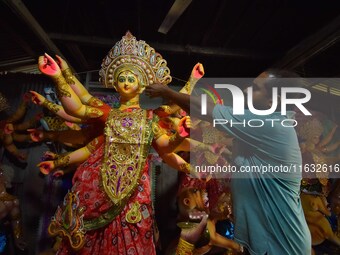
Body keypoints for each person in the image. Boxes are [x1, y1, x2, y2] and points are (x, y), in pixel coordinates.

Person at [35, 32, 200, 255]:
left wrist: (180, 133)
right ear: (114, 82)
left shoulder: (150, 118)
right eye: (121, 78)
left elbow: (167, 146)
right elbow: (79, 109)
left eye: (131, 78)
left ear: (141, 84)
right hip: (97, 187)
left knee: (133, 232)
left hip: (134, 193)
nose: (125, 82)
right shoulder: (108, 115)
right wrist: (58, 76)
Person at [145, 69, 312, 254]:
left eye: (255, 88)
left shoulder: (271, 126)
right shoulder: (262, 125)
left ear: (273, 101)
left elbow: (205, 110)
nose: (247, 90)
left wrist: (167, 92)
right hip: (268, 240)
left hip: (284, 244)